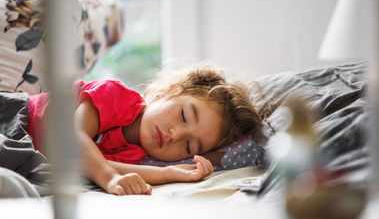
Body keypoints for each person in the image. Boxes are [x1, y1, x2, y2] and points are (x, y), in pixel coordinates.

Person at [27, 64, 263, 196]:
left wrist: (170, 173)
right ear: (167, 91)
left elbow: (88, 163)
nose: (176, 135)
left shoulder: (138, 157)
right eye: (183, 116)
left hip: (31, 158)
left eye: (189, 145)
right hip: (14, 122)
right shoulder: (116, 95)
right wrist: (110, 179)